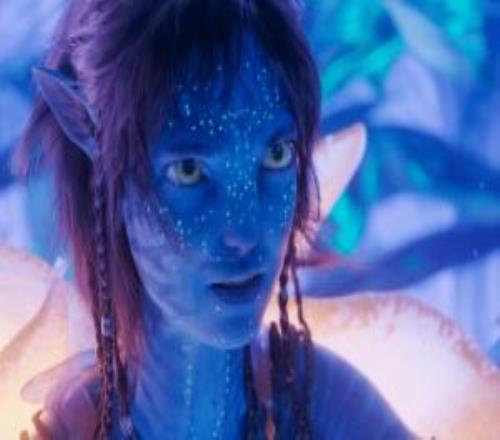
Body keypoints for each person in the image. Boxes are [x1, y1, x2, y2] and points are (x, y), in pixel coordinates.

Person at [17, 0, 414, 438]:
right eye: (189, 170)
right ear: (91, 133)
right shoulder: (74, 426)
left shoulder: (318, 400)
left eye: (276, 156)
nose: (244, 232)